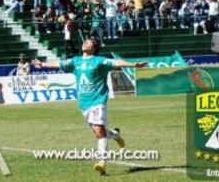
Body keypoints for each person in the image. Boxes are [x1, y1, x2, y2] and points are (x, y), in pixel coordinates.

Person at [32, 38, 147, 175]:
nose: (85, 43)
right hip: (84, 102)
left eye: (88, 42)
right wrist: (43, 64)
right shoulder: (76, 61)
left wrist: (133, 65)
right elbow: (59, 63)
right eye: (84, 41)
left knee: (99, 132)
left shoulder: (99, 61)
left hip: (98, 100)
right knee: (99, 132)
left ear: (94, 47)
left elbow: (115, 62)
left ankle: (102, 163)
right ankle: (116, 135)